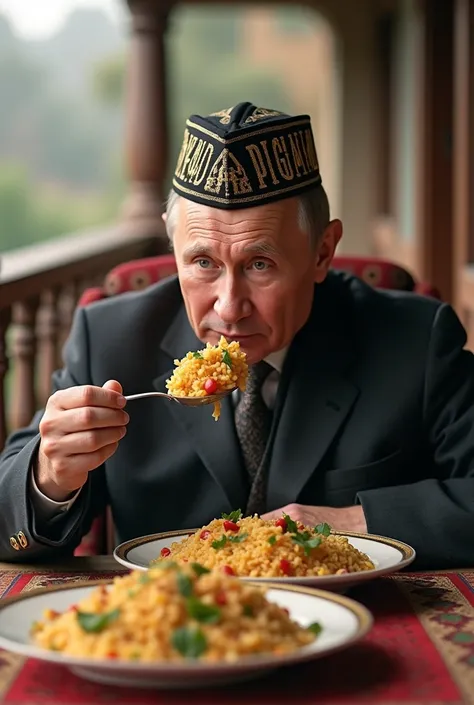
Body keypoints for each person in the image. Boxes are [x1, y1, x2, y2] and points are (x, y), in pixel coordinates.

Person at [1, 102, 474, 568]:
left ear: (322, 252)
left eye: (260, 264)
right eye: (203, 262)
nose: (228, 306)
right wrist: (49, 476)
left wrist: (353, 520)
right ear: (173, 245)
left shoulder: (415, 342)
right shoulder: (111, 340)